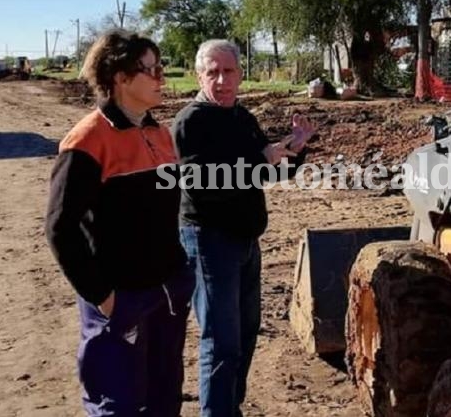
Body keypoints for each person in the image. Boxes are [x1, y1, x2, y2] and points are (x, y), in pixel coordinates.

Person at [45, 30, 195, 416]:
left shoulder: (159, 133)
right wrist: (104, 297)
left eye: (160, 67)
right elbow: (61, 228)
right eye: (151, 69)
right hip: (120, 300)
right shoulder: (87, 141)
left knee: (165, 397)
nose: (162, 78)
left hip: (166, 295)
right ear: (120, 78)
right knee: (118, 404)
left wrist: (180, 277)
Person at [173, 39, 315, 417]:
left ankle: (228, 407)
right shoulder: (192, 121)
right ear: (199, 75)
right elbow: (203, 184)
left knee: (245, 334)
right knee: (221, 341)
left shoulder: (242, 118)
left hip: (246, 240)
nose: (222, 79)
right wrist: (259, 158)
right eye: (212, 72)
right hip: (208, 240)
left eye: (229, 71)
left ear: (240, 73)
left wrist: (295, 150)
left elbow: (267, 172)